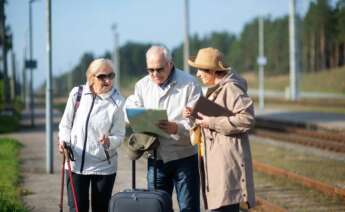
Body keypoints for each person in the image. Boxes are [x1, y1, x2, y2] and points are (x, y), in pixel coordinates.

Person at [125, 45, 202, 212]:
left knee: (188, 208)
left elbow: (197, 122)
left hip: (185, 158)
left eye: (159, 69)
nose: (154, 74)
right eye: (150, 70)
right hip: (155, 159)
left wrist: (177, 128)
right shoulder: (142, 86)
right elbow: (130, 112)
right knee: (156, 208)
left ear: (169, 64)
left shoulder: (190, 84)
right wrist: (135, 118)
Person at [183, 47, 256, 212]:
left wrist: (212, 122)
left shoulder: (231, 89)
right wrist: (193, 115)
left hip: (227, 165)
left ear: (212, 71)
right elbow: (210, 120)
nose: (198, 74)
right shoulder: (216, 89)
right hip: (217, 163)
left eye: (200, 70)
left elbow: (247, 119)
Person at [58, 58, 126, 212]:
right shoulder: (77, 94)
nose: (108, 80)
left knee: (100, 209)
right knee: (76, 208)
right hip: (75, 164)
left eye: (111, 75)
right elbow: (65, 124)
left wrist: (109, 140)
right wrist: (64, 142)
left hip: (103, 166)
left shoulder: (118, 101)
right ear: (91, 77)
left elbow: (120, 135)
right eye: (102, 76)